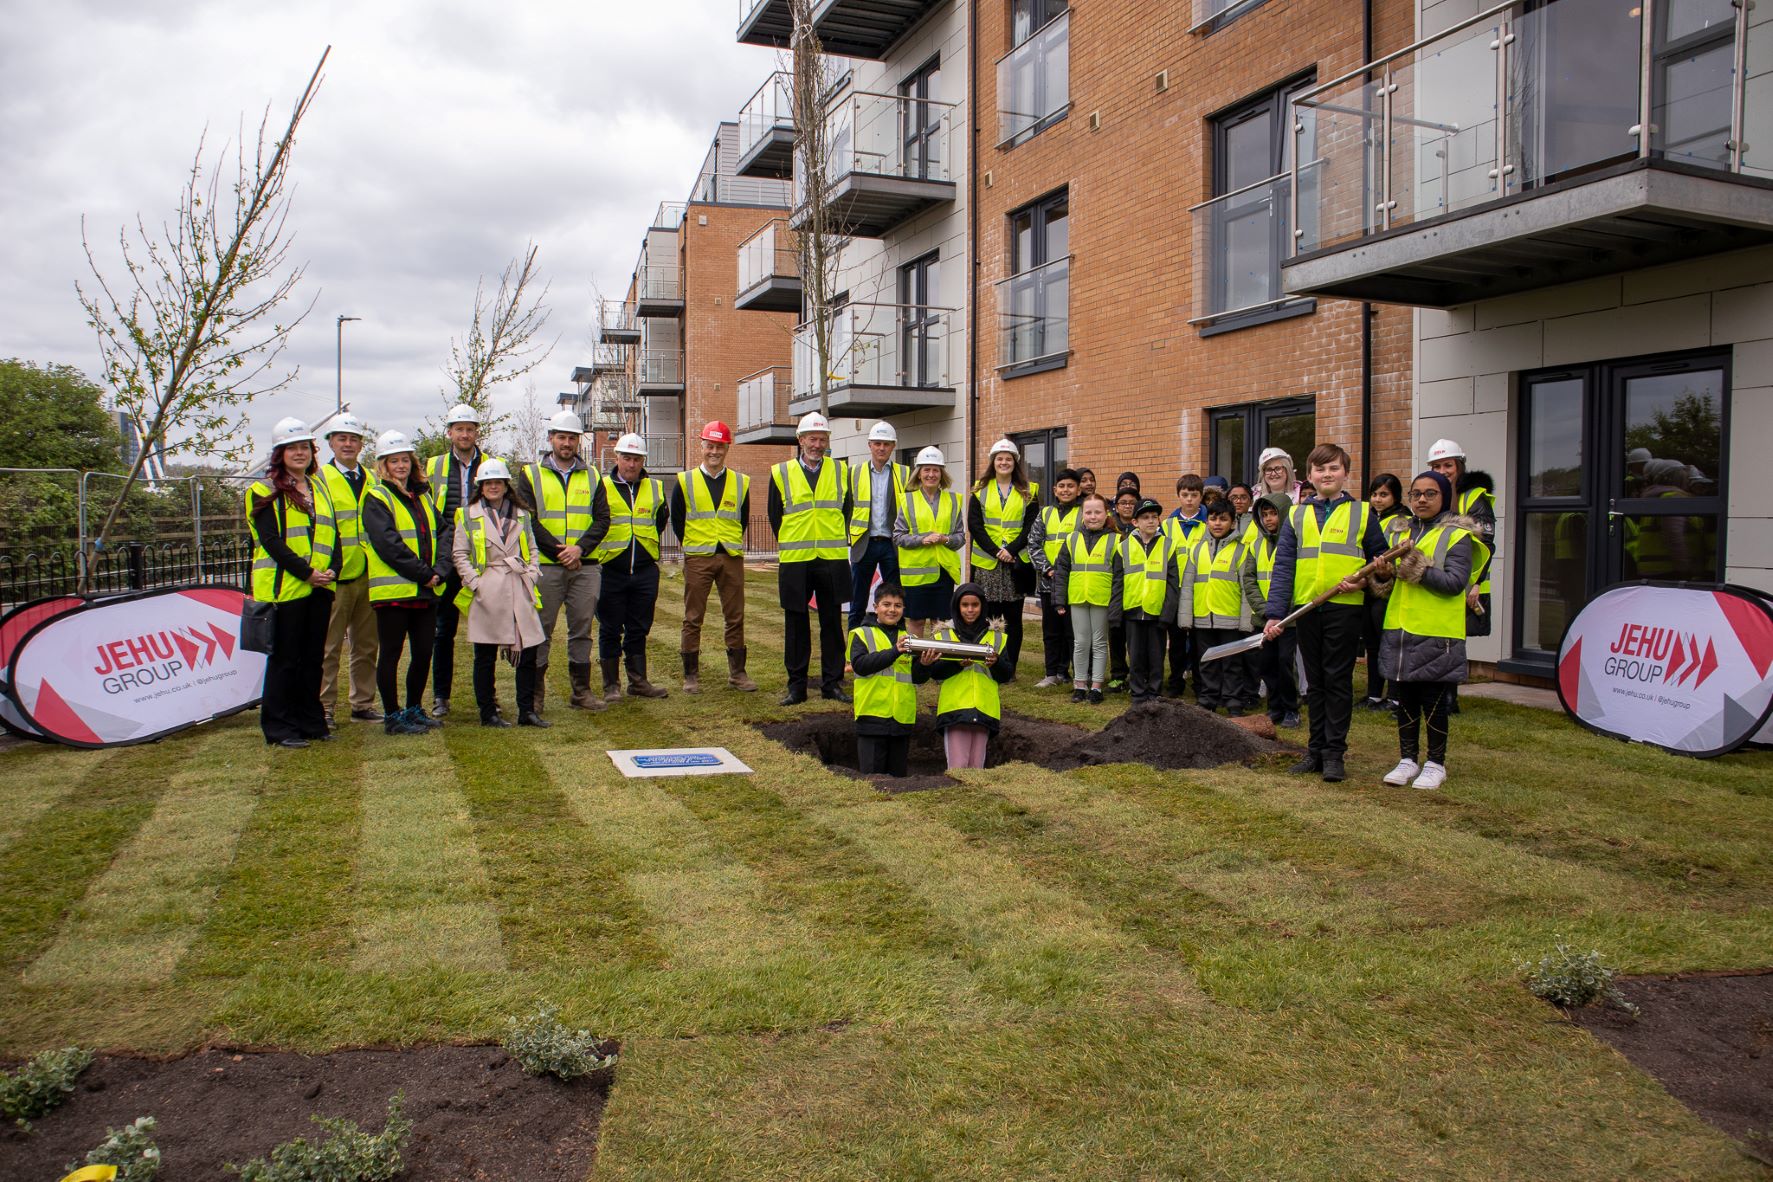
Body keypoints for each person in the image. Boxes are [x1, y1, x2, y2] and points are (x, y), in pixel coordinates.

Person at [1262, 444, 1389, 783]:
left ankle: (1334, 753)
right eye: (1320, 470)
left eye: (1333, 468)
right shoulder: (1296, 515)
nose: (1327, 475)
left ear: (1346, 473)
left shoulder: (1363, 514)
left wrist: (1362, 584)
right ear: (1310, 476)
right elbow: (1285, 567)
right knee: (1314, 684)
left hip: (1344, 609)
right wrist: (1275, 613)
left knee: (1337, 681)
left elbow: (1382, 565)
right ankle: (1314, 751)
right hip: (1307, 608)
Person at [1375, 470, 1490, 790]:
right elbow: (1389, 585)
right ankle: (1407, 759)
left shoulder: (1458, 536)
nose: (1422, 499)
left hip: (1438, 631)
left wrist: (1417, 568)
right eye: (1416, 494)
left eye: (1430, 494)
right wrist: (1384, 575)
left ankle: (1436, 763)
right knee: (1405, 698)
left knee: (1434, 701)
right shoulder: (1399, 533)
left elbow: (1455, 584)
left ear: (1444, 498)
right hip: (1400, 626)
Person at [248, 416, 338, 748]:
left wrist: (332, 571)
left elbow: (332, 534)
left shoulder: (318, 489)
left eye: (304, 447)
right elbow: (271, 541)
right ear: (279, 453)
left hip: (320, 587)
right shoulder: (263, 490)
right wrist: (307, 573)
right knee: (286, 659)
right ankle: (279, 726)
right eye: (292, 448)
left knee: (313, 658)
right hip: (286, 587)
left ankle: (309, 720)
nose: (299, 453)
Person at [515, 409, 611, 713]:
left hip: (585, 566)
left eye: (571, 438)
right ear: (550, 439)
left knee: (581, 629)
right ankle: (534, 694)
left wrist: (579, 549)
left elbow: (602, 520)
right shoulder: (531, 474)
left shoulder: (594, 475)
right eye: (561, 437)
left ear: (578, 440)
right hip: (545, 565)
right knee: (540, 629)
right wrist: (560, 551)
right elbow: (527, 520)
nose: (566, 443)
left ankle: (581, 692)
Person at [452, 459, 547, 728]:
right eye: (488, 483)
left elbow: (533, 548)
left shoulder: (522, 515)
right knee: (485, 654)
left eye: (498, 482)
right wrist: (474, 583)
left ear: (506, 486)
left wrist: (531, 573)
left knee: (529, 650)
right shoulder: (467, 515)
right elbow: (459, 553)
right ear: (480, 487)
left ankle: (526, 711)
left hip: (518, 586)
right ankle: (488, 713)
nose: (493, 487)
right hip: (488, 589)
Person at [364, 429, 447, 735]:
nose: (401, 466)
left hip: (424, 591)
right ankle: (392, 714)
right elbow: (389, 545)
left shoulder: (421, 496)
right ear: (383, 465)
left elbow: (444, 530)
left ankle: (414, 708)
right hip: (393, 592)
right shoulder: (377, 497)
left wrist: (441, 567)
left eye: (405, 460)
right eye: (394, 461)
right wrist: (426, 573)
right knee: (391, 653)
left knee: (424, 651)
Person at [770, 411, 854, 705]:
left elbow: (847, 509)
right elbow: (774, 515)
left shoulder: (841, 470)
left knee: (832, 624)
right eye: (812, 439)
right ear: (800, 440)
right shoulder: (780, 472)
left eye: (822, 439)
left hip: (830, 558)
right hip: (796, 559)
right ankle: (797, 686)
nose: (817, 444)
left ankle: (832, 683)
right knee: (796, 624)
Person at [423, 402, 499, 719]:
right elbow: (426, 510)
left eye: (470, 428)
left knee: (487, 631)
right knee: (443, 631)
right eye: (459, 429)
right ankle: (441, 696)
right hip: (446, 557)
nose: (464, 434)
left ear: (476, 432)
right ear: (450, 433)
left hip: (481, 559)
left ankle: (488, 697)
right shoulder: (433, 466)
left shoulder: (493, 465)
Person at [672, 420, 755, 694]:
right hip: (698, 557)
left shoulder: (741, 482)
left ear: (727, 448)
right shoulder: (684, 481)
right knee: (693, 617)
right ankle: (690, 676)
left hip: (730, 556)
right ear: (702, 446)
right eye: (710, 446)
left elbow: (742, 520)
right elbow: (678, 521)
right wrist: (696, 544)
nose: (714, 452)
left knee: (735, 616)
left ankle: (737, 673)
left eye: (719, 447)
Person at [593, 432, 670, 700]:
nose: (632, 464)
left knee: (639, 627)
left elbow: (660, 520)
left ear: (643, 461)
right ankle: (611, 685)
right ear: (617, 458)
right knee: (610, 628)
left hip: (644, 570)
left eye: (637, 459)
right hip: (611, 569)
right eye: (627, 458)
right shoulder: (601, 487)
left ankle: (638, 682)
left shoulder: (655, 488)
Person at [316, 413, 380, 726]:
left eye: (353, 439)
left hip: (368, 573)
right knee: (328, 647)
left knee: (366, 645)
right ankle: (324, 706)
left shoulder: (371, 478)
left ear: (361, 444)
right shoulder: (320, 478)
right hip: (335, 576)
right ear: (330, 442)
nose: (348, 444)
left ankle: (363, 703)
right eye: (342, 438)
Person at [1426, 438, 1497, 715]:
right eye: (1436, 465)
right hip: (1439, 579)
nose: (1443, 470)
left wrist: (1477, 584)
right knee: (1438, 638)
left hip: (1467, 582)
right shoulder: (1431, 494)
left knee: (1455, 641)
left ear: (1460, 466)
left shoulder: (1474, 497)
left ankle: (1450, 699)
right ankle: (1438, 692)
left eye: (1448, 465)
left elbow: (1487, 544)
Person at [916, 582, 1013, 769]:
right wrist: (956, 665)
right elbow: (935, 674)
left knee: (977, 768)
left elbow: (1006, 674)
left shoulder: (998, 637)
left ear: (982, 606)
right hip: (955, 710)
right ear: (956, 606)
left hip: (985, 709)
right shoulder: (943, 636)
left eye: (975, 605)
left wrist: (997, 663)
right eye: (965, 605)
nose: (970, 610)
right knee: (958, 768)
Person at [967, 438, 1038, 674]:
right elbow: (975, 526)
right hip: (988, 563)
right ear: (993, 462)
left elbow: (1031, 526)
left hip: (1015, 563)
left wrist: (1011, 550)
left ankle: (1010, 666)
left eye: (1008, 459)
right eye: (1000, 459)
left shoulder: (1030, 491)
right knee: (988, 616)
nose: (1004, 462)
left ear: (1015, 462)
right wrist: (997, 551)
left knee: (1013, 618)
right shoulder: (979, 490)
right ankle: (988, 662)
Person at [1189, 499, 1256, 715]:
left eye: (1223, 519)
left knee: (1231, 662)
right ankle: (1208, 698)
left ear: (1233, 522)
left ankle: (1233, 701)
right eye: (1213, 518)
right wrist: (1185, 618)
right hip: (1202, 615)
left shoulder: (1241, 550)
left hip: (1230, 617)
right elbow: (1188, 587)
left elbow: (1246, 589)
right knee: (1207, 661)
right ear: (1207, 520)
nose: (1218, 523)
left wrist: (1245, 620)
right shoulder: (1197, 549)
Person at [1241, 492, 1299, 727]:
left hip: (1288, 619)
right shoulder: (1255, 545)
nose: (1268, 519)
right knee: (1266, 665)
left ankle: (1291, 709)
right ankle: (1274, 708)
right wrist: (1265, 611)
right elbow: (1249, 579)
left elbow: (1297, 581)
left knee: (1285, 663)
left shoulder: (1296, 545)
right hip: (1262, 618)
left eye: (1273, 513)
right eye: (1264, 514)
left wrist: (1281, 613)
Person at [894, 446, 965, 636]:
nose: (931, 474)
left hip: (944, 572)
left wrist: (945, 539)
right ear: (918, 474)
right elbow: (898, 536)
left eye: (935, 470)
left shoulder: (953, 500)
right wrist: (922, 539)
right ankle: (917, 662)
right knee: (916, 621)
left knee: (940, 622)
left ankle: (937, 662)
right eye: (926, 470)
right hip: (916, 575)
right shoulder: (908, 501)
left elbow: (960, 537)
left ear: (942, 474)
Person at [1053, 492, 1115, 703]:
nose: (1093, 516)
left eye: (1098, 512)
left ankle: (1096, 686)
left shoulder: (1116, 540)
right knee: (1080, 643)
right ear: (1082, 515)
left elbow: (1120, 575)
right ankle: (1079, 684)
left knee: (1098, 643)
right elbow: (1061, 571)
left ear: (1106, 514)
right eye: (1088, 512)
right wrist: (1059, 600)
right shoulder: (1071, 539)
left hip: (1102, 599)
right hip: (1078, 598)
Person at [849, 581, 914, 777]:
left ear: (903, 608)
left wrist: (926, 664)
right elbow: (861, 665)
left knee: (898, 781)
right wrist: (895, 651)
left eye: (897, 605)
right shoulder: (861, 634)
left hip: (901, 718)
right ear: (875, 607)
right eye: (886, 604)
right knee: (873, 781)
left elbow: (917, 677)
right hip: (872, 717)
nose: (892, 610)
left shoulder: (908, 637)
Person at [847, 421, 908, 629]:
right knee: (857, 601)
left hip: (893, 545)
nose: (882, 448)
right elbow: (846, 508)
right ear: (869, 445)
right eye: (878, 443)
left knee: (894, 601)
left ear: (893, 446)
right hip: (865, 542)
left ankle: (895, 646)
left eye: (887, 444)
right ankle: (853, 652)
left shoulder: (905, 474)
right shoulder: (854, 473)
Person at [1116, 498, 1178, 704]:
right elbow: (1117, 583)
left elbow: (1172, 583)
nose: (1151, 521)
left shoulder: (1168, 546)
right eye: (1145, 517)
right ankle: (1138, 692)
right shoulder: (1123, 548)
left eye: (1154, 517)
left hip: (1157, 611)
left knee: (1156, 655)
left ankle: (1154, 691)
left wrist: (1167, 613)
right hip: (1133, 610)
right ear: (1135, 522)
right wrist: (1115, 613)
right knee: (1136, 656)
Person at [1027, 468, 1080, 688]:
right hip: (1049, 582)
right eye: (1062, 486)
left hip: (1074, 582)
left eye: (1070, 486)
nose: (1066, 490)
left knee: (1072, 632)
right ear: (1054, 490)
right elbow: (1033, 543)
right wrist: (1047, 569)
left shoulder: (1084, 512)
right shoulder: (1045, 513)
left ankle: (1067, 672)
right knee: (1051, 631)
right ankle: (1051, 673)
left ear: (1078, 490)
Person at [1361, 473, 1406, 712]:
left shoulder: (1403, 522)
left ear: (1395, 496)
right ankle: (1374, 694)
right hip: (1368, 589)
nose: (1377, 499)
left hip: (1389, 591)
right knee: (1372, 645)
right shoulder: (1368, 518)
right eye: (1374, 494)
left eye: (1384, 494)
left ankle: (1395, 696)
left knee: (1389, 644)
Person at [1163, 474, 1209, 698]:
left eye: (1194, 495)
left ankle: (1201, 683)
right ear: (1178, 496)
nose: (1189, 500)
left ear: (1201, 496)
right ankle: (1175, 681)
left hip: (1200, 590)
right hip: (1175, 590)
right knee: (1177, 641)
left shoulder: (1209, 524)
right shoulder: (1168, 525)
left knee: (1200, 640)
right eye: (1185, 495)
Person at [1105, 488, 1141, 690]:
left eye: (1132, 502)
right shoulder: (1110, 528)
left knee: (1136, 638)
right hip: (1114, 587)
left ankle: (1137, 674)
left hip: (1137, 588)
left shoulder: (1146, 526)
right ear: (1116, 506)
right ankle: (1118, 674)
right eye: (1123, 502)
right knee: (1116, 632)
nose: (1128, 506)